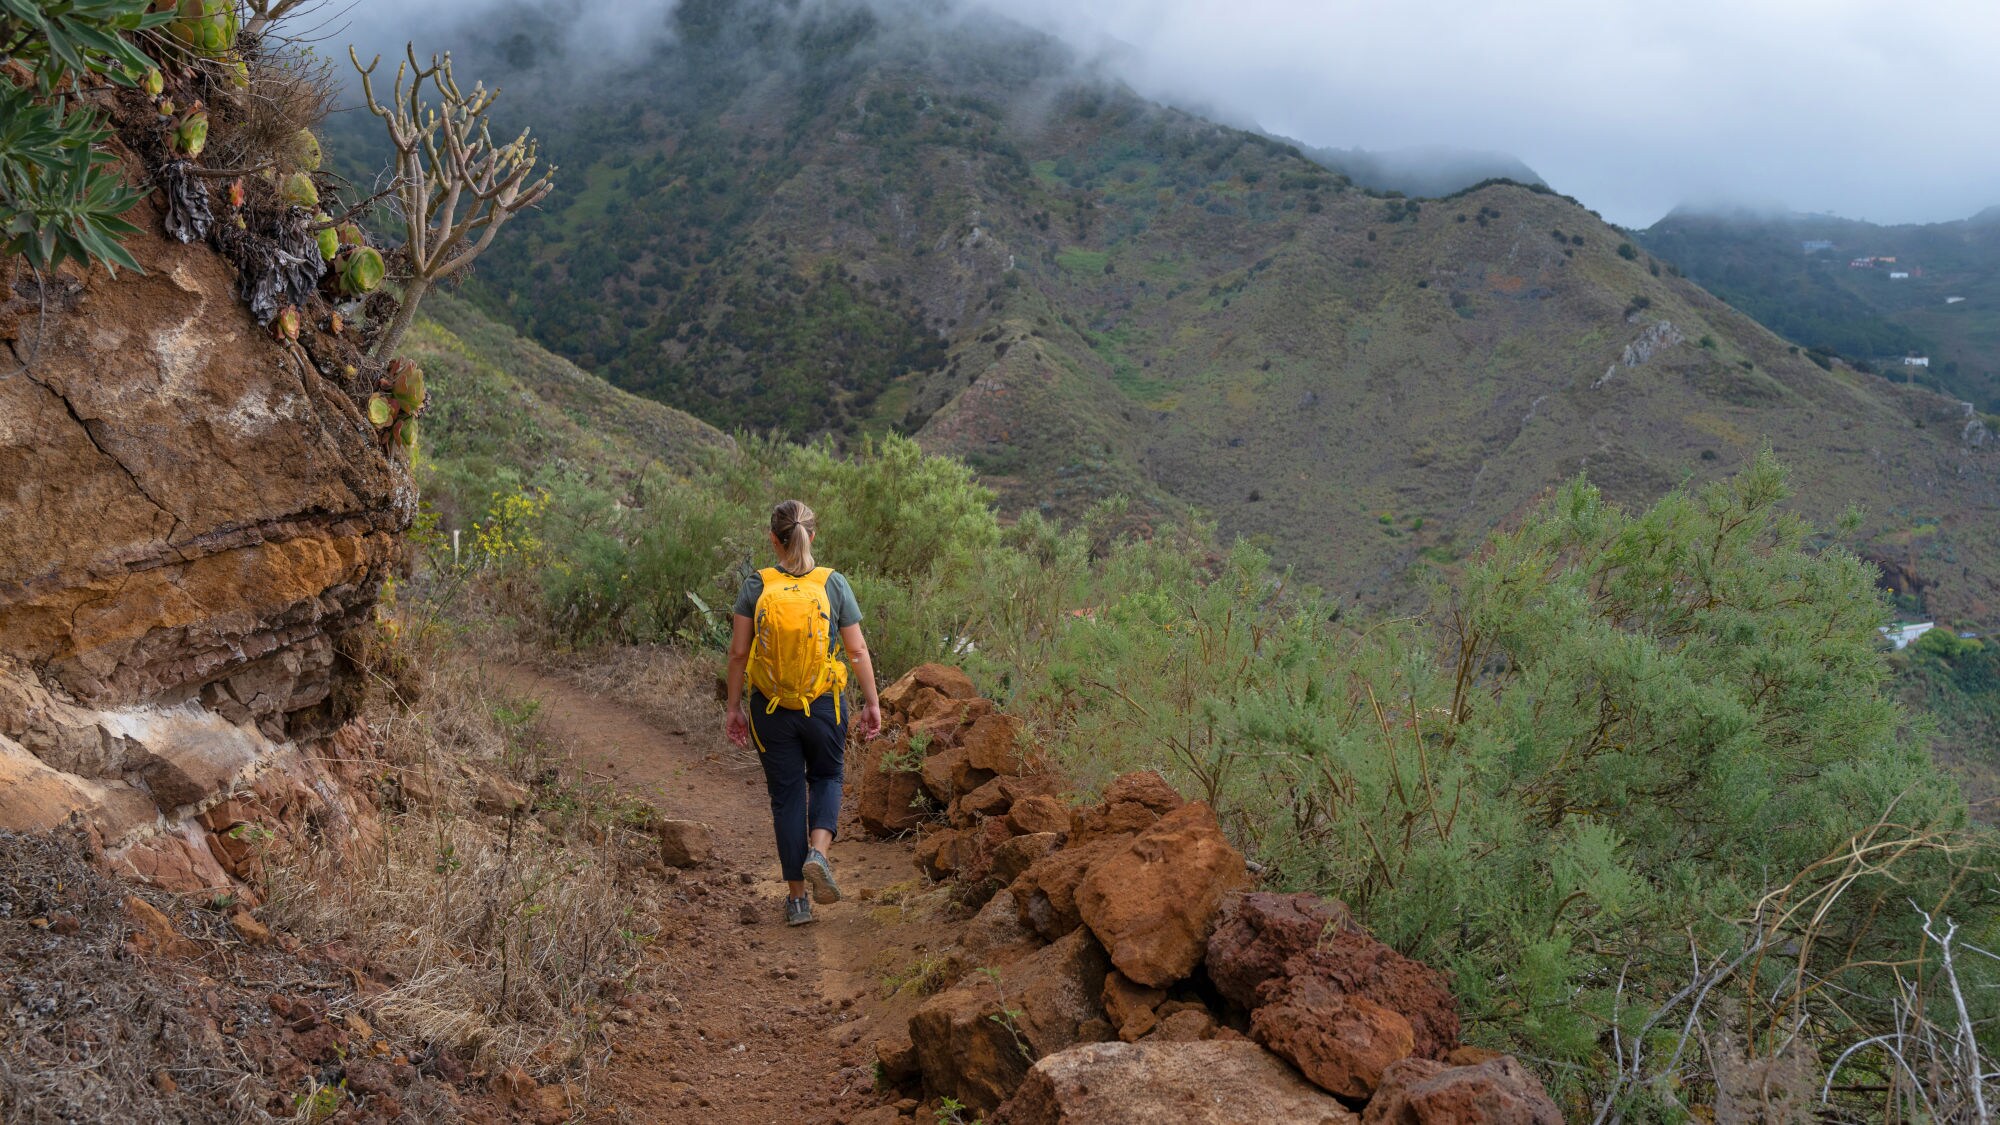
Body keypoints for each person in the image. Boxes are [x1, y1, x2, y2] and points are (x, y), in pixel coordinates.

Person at [724, 500, 883, 926]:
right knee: (828, 777)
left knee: (787, 798)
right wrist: (872, 702)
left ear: (773, 539)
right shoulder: (833, 584)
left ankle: (797, 902)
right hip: (825, 706)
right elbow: (856, 650)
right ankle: (818, 853)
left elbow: (739, 653)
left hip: (771, 708)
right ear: (812, 536)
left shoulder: (756, 584)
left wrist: (734, 707)